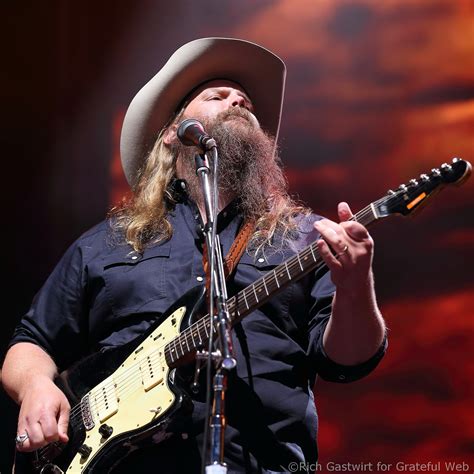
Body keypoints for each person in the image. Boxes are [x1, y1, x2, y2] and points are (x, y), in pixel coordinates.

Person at [2, 37, 387, 473]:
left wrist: (356, 285)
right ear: (173, 133)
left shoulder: (305, 237)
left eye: (245, 102)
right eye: (217, 96)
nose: (238, 101)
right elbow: (31, 341)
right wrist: (35, 386)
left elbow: (347, 361)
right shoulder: (109, 242)